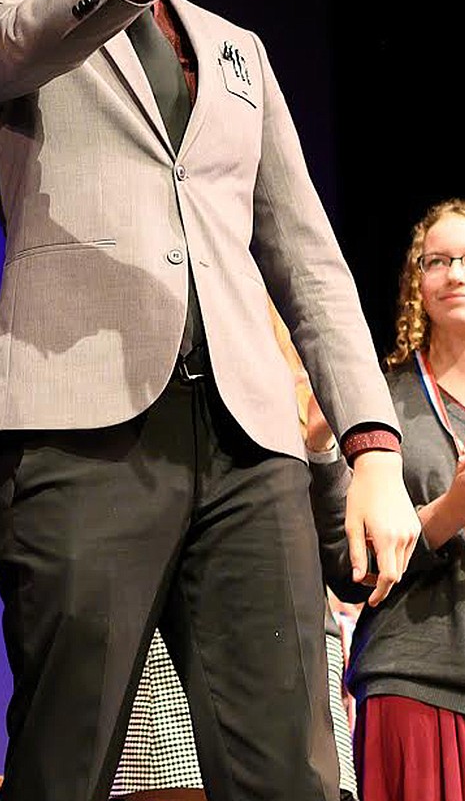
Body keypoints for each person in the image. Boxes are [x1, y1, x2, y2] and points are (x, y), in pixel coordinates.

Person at [0, 0, 420, 801]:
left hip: (250, 446)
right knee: (67, 757)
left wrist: (372, 445)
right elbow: (11, 51)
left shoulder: (236, 50)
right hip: (80, 434)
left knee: (290, 766)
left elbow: (308, 256)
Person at [111, 305, 361, 801]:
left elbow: (344, 560)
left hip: (292, 653)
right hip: (173, 658)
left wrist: (321, 448)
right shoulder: (159, 345)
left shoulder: (300, 359)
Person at [344, 199, 465, 800]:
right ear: (416, 285)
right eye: (438, 261)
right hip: (414, 677)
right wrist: (451, 510)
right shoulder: (378, 405)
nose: (456, 274)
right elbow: (353, 559)